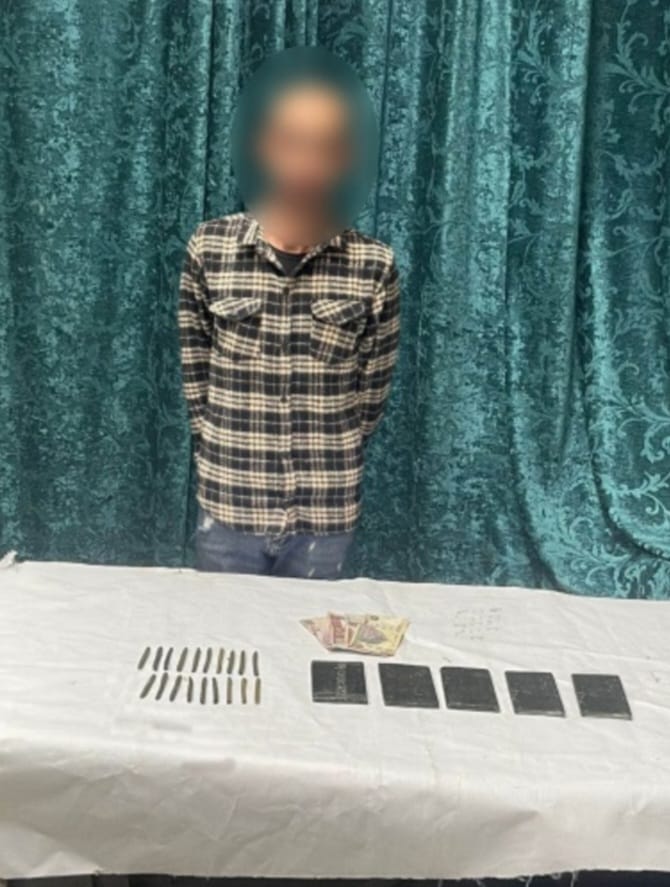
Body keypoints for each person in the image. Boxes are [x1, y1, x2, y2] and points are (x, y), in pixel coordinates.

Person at [178, 49, 400, 579]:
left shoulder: (375, 264)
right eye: (292, 142)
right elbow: (196, 374)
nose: (306, 163)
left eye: (326, 146)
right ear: (264, 147)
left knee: (311, 634)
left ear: (345, 159)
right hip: (229, 503)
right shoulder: (209, 248)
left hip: (325, 513)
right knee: (222, 630)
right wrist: (222, 450)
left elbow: (371, 398)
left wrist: (330, 453)